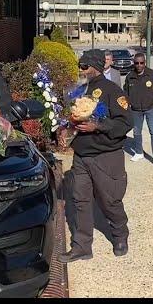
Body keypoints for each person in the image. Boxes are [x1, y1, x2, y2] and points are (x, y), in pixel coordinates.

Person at [58, 49, 133, 263]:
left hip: (106, 156)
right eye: (79, 65)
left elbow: (126, 122)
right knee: (80, 201)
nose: (80, 69)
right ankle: (82, 247)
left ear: (95, 67)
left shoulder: (112, 91)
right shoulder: (78, 91)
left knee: (110, 201)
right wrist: (66, 129)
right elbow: (71, 118)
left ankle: (120, 235)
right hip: (81, 155)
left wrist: (98, 125)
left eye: (84, 66)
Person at [123, 52, 153, 167]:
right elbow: (125, 91)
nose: (139, 65)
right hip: (136, 109)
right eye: (137, 63)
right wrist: (129, 101)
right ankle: (139, 152)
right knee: (136, 132)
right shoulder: (129, 76)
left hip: (150, 108)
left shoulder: (152, 74)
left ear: (144, 63)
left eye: (141, 63)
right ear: (134, 63)